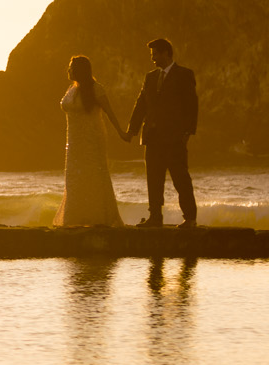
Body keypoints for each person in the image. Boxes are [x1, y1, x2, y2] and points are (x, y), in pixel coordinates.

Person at [122, 37, 198, 228]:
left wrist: (188, 132)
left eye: (155, 54)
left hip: (174, 138)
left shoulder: (184, 74)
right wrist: (132, 130)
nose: (153, 58)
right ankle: (155, 217)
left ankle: (190, 218)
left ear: (166, 53)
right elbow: (141, 105)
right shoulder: (150, 77)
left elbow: (191, 105)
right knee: (153, 180)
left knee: (181, 179)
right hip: (152, 137)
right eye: (151, 55)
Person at [52, 55, 127, 227]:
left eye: (71, 67)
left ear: (80, 70)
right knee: (74, 178)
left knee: (94, 176)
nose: (68, 70)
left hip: (92, 140)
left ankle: (98, 218)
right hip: (74, 142)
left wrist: (121, 132)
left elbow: (109, 112)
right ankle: (76, 218)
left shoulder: (96, 89)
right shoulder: (72, 89)